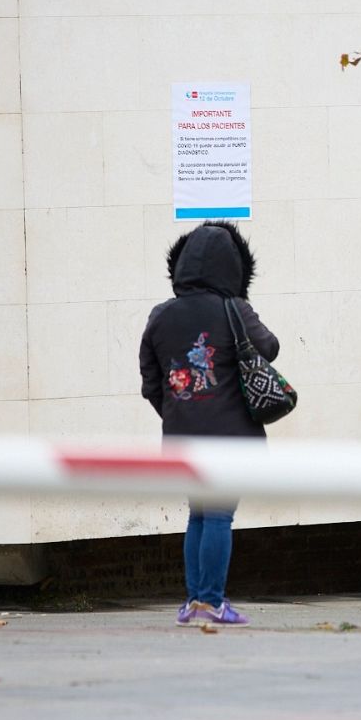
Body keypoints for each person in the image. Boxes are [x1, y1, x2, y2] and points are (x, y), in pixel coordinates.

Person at [140, 221, 282, 628]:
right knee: (219, 515)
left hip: (182, 436)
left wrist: (179, 412)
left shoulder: (160, 316)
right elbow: (269, 347)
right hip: (230, 437)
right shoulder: (233, 308)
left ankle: (193, 601)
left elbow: (151, 383)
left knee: (198, 515)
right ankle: (212, 602)